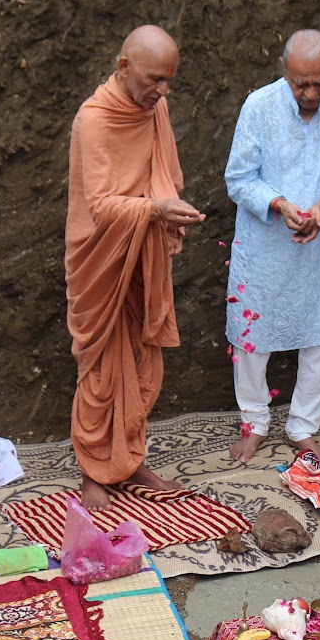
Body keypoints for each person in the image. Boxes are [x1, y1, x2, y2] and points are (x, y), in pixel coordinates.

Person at [65, 25, 206, 510]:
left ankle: (130, 460)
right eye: (153, 80)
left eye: (168, 80)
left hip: (142, 254)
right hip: (99, 258)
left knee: (144, 363)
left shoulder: (156, 109)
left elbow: (163, 173)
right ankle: (94, 472)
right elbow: (102, 206)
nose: (162, 91)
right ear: (124, 67)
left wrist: (168, 211)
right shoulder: (94, 120)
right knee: (102, 370)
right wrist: (157, 210)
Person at [225, 29, 320, 464]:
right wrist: (279, 204)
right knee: (252, 337)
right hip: (265, 244)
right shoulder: (259, 106)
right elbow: (239, 179)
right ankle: (254, 423)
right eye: (300, 83)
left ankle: (303, 427)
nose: (311, 93)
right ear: (283, 72)